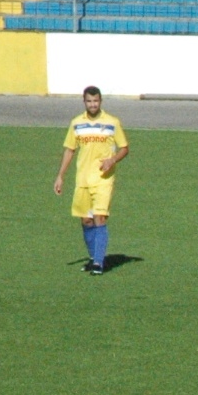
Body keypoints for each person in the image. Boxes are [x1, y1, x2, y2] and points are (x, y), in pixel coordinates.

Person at [53, 86, 128, 275]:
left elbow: (124, 148)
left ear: (100, 101)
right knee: (86, 221)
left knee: (99, 217)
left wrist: (112, 160)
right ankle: (94, 258)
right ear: (84, 102)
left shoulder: (112, 122)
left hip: (103, 179)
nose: (93, 104)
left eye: (95, 101)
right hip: (83, 179)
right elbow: (70, 150)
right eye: (89, 101)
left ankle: (98, 263)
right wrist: (60, 176)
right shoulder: (77, 123)